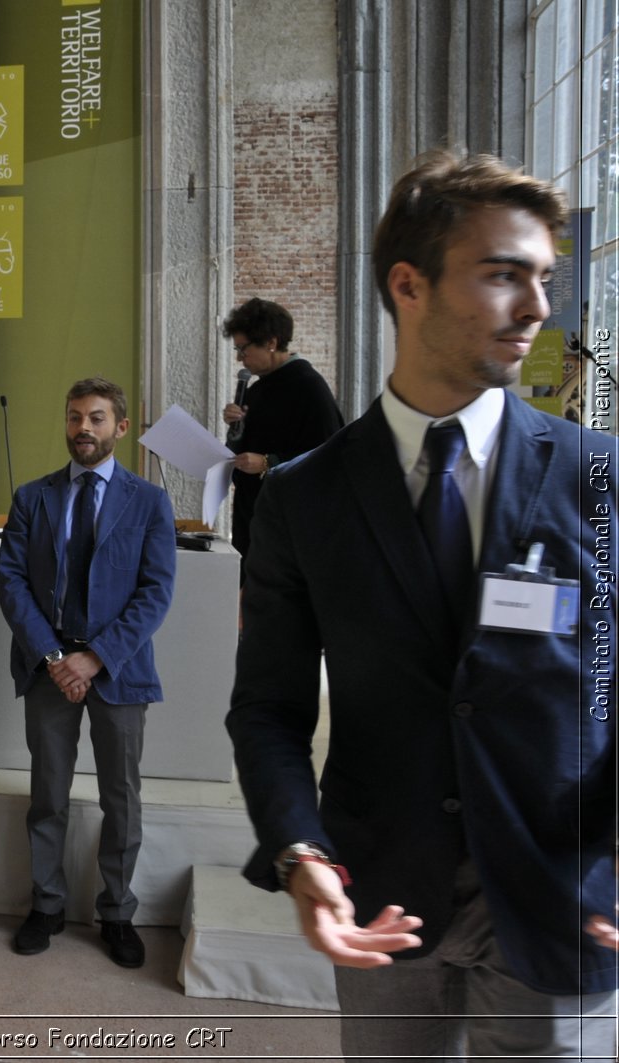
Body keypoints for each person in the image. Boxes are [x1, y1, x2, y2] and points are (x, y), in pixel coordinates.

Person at [227, 149, 617, 1058]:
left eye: (543, 278)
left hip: (561, 886)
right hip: (385, 888)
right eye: (502, 275)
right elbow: (270, 708)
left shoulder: (596, 474)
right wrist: (300, 850)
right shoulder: (306, 494)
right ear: (410, 284)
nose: (537, 307)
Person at [0, 378, 175, 968]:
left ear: (119, 428)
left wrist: (95, 657)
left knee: (120, 797)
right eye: (74, 417)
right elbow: (13, 583)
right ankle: (46, 904)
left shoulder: (148, 502)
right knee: (47, 793)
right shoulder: (33, 497)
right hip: (50, 668)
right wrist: (55, 658)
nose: (83, 429)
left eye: (96, 418)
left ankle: (117, 912)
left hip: (117, 670)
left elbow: (155, 593)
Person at [220, 297, 343, 569]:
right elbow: (248, 447)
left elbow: (327, 458)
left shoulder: (308, 388)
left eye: (243, 349)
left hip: (292, 526)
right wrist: (236, 429)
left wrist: (267, 462)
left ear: (271, 342)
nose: (240, 357)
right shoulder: (257, 388)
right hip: (254, 516)